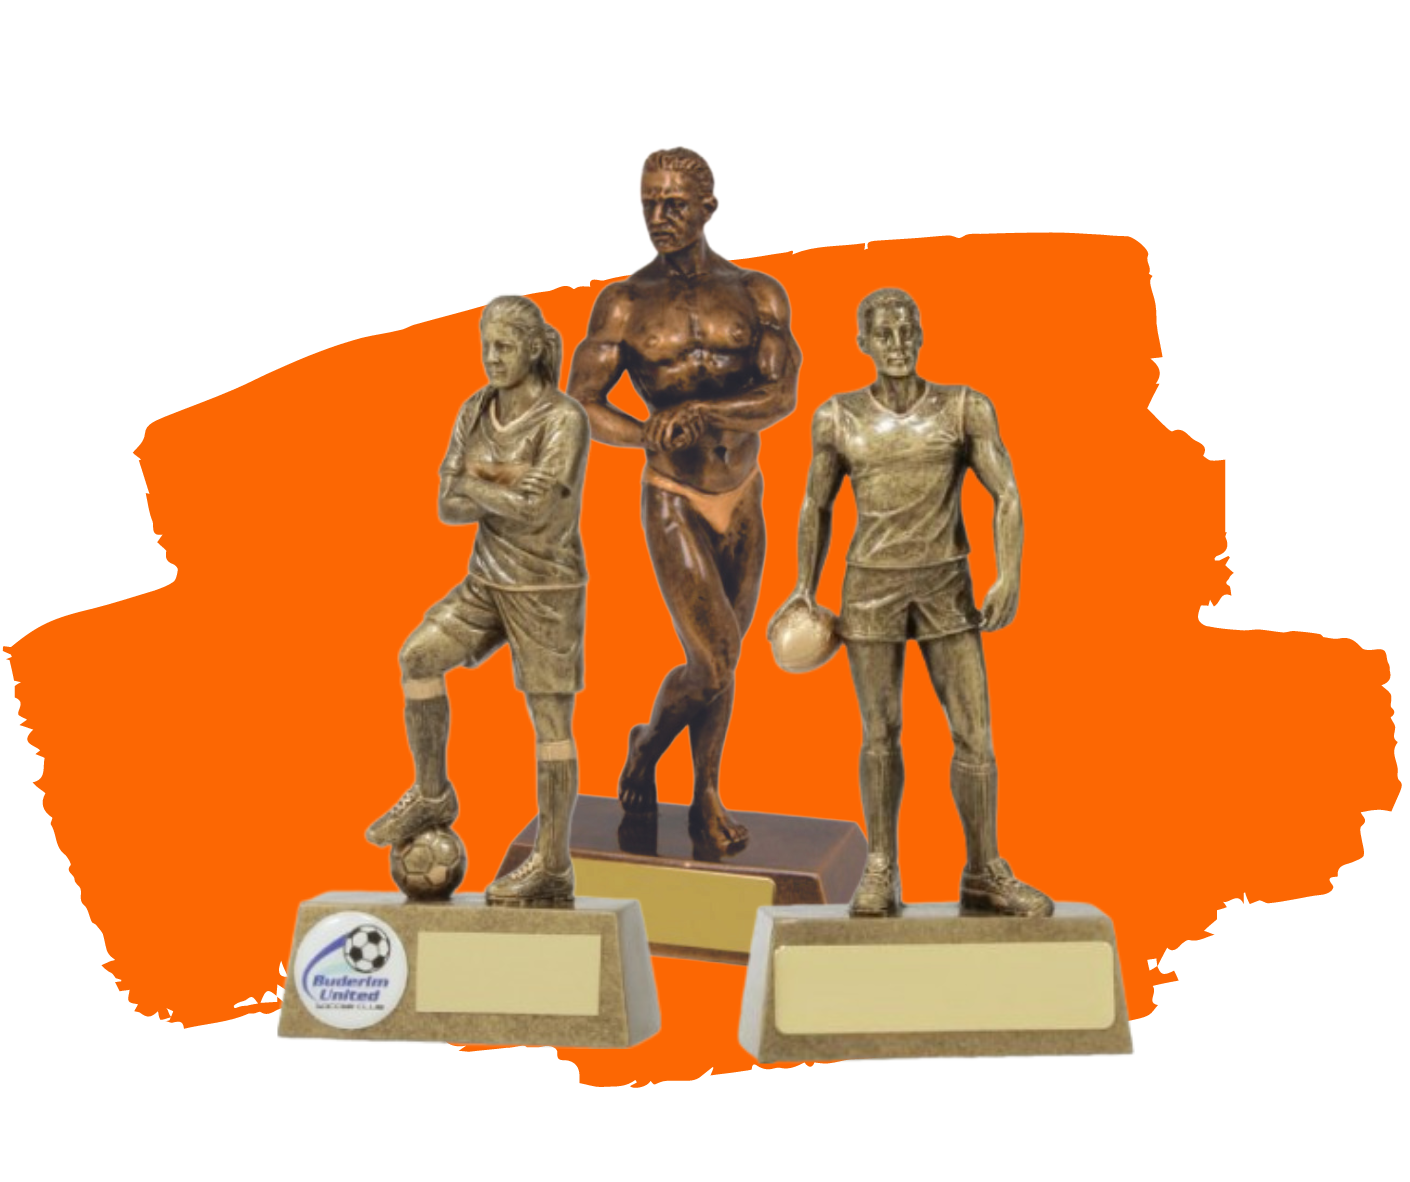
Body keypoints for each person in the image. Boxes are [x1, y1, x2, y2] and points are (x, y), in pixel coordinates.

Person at [770, 288, 1052, 917]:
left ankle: (984, 869)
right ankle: (880, 867)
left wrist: (1009, 574)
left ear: (920, 336)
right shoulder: (837, 417)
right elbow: (815, 503)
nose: (897, 345)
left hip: (946, 586)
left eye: (906, 331)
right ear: (863, 343)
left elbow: (1007, 492)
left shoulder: (964, 408)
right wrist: (803, 586)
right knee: (880, 732)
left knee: (974, 733)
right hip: (870, 589)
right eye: (884, 334)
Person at [567, 147, 801, 851]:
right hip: (674, 493)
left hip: (744, 491)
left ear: (707, 208)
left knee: (721, 662)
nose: (659, 217)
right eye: (649, 203)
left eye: (673, 204)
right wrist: (646, 432)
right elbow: (581, 402)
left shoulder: (757, 293)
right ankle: (647, 750)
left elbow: (781, 394)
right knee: (718, 653)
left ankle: (704, 795)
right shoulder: (625, 303)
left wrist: (708, 414)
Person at [365, 295, 590, 907]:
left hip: (545, 588)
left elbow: (536, 507)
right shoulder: (475, 408)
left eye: (505, 346)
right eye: (486, 346)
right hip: (486, 581)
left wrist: (476, 478)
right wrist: (505, 480)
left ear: (533, 349)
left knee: (550, 723)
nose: (492, 357)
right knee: (417, 657)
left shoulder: (563, 419)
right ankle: (433, 791)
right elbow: (447, 504)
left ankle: (552, 864)